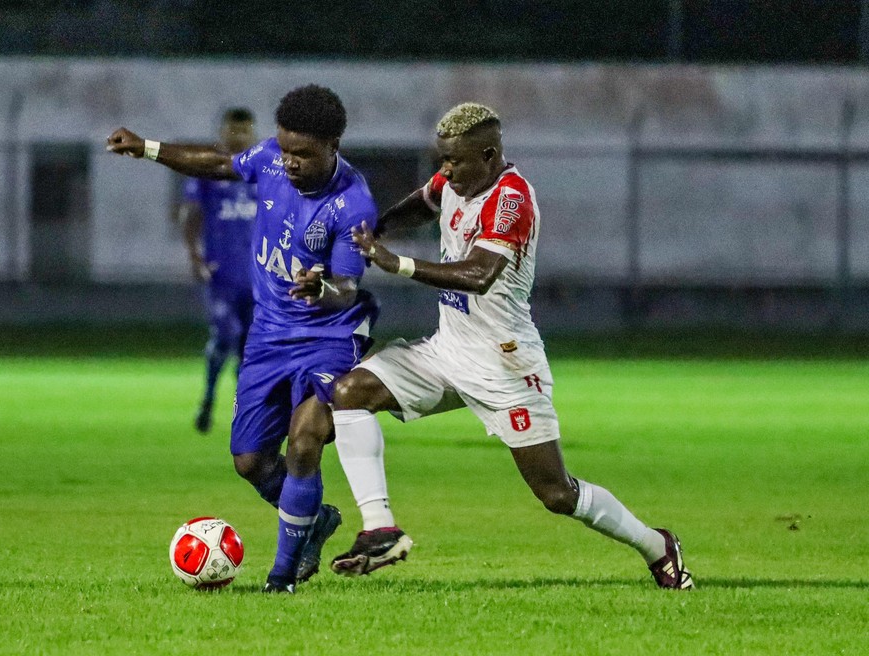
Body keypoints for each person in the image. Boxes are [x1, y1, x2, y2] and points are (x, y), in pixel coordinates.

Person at [327, 103, 694, 590]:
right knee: (351, 392)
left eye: (455, 161)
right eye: (443, 159)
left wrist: (399, 264)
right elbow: (425, 199)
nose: (445, 170)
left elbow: (479, 274)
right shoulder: (457, 179)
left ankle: (656, 545)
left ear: (489, 154)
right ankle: (379, 531)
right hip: (447, 352)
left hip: (505, 365)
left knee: (555, 493)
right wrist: (381, 226)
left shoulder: (510, 199)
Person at [106, 84, 380, 593]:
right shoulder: (272, 159)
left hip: (328, 337)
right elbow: (220, 164)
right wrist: (147, 148)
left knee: (304, 442)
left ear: (333, 146)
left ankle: (282, 577)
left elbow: (346, 289)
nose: (291, 162)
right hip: (269, 336)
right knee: (250, 460)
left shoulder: (353, 202)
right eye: (286, 149)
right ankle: (314, 520)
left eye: (305, 153)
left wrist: (323, 286)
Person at [178, 107, 259, 433]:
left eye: (244, 130)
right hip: (222, 274)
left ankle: (244, 414)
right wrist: (195, 258)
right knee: (226, 334)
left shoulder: (266, 170)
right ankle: (209, 398)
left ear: (253, 134)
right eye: (233, 130)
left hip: (259, 278)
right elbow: (192, 215)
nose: (238, 136)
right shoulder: (208, 169)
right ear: (222, 132)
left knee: (250, 349)